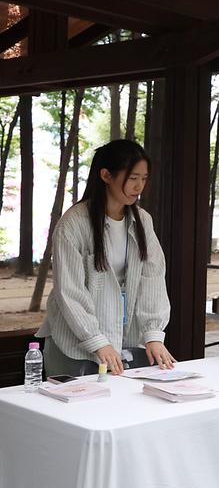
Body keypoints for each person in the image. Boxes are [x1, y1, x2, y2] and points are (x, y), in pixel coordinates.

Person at [38, 140, 174, 376]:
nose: (139, 186)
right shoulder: (74, 223)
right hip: (74, 345)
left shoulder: (142, 221)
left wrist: (153, 334)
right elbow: (69, 291)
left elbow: (153, 278)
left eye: (144, 178)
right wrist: (96, 340)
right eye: (133, 178)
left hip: (121, 340)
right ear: (106, 175)